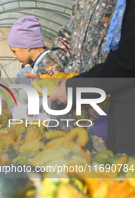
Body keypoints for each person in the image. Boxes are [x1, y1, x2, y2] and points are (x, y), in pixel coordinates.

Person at [48, 0, 135, 155]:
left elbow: (126, 60)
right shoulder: (81, 2)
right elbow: (66, 39)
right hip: (81, 96)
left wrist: (85, 90)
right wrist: (48, 71)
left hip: (106, 97)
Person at [7, 16, 50, 118]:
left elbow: (52, 94)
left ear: (27, 46)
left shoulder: (46, 64)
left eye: (14, 51)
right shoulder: (40, 62)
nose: (14, 56)